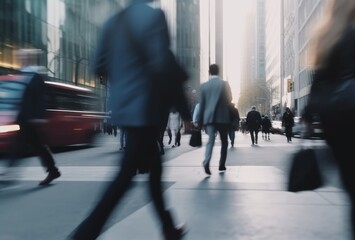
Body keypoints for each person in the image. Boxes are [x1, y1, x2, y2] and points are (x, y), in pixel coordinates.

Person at [68, 1, 191, 239]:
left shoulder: (112, 23)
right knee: (125, 177)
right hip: (146, 108)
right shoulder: (155, 17)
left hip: (124, 107)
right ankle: (84, 234)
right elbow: (164, 65)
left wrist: (123, 78)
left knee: (154, 168)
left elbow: (98, 66)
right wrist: (185, 113)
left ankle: (167, 226)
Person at [304, 0, 355, 238]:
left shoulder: (325, 38)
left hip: (336, 126)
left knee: (354, 189)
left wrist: (308, 117)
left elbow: (316, 85)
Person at [1, 48, 61, 187]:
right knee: (38, 146)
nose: (21, 59)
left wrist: (39, 116)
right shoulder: (21, 74)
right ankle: (53, 170)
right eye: (20, 57)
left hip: (31, 119)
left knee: (19, 145)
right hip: (24, 117)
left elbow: (41, 98)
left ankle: (9, 174)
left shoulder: (35, 76)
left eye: (23, 57)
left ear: (29, 58)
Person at [195, 64, 232, 175]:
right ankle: (221, 164)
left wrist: (200, 122)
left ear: (209, 72)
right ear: (218, 71)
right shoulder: (224, 84)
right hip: (222, 117)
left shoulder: (204, 86)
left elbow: (202, 105)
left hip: (209, 118)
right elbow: (230, 99)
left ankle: (206, 161)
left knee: (210, 140)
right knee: (224, 142)